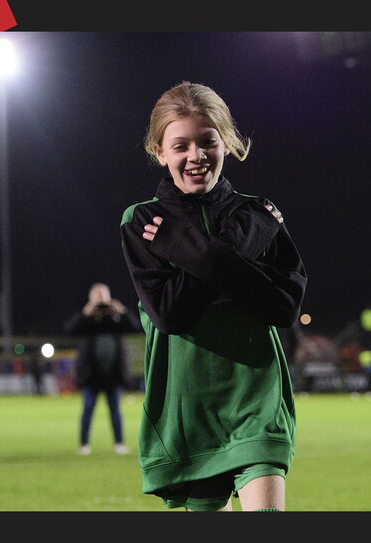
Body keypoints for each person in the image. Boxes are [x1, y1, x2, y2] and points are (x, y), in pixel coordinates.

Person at [120, 81, 308, 512]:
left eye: (207, 142)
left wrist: (187, 251)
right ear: (159, 151)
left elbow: (284, 307)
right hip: (187, 407)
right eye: (180, 146)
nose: (196, 156)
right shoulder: (144, 221)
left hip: (256, 398)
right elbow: (170, 313)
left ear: (226, 142)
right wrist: (237, 250)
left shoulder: (254, 212)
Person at [63, 282, 141, 455]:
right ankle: (84, 444)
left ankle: (119, 443)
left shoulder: (115, 318)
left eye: (103, 295)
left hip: (113, 375)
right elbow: (69, 330)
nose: (100, 300)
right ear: (90, 298)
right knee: (87, 409)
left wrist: (122, 311)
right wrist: (86, 313)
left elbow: (135, 327)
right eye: (97, 295)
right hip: (91, 375)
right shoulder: (87, 319)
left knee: (115, 411)